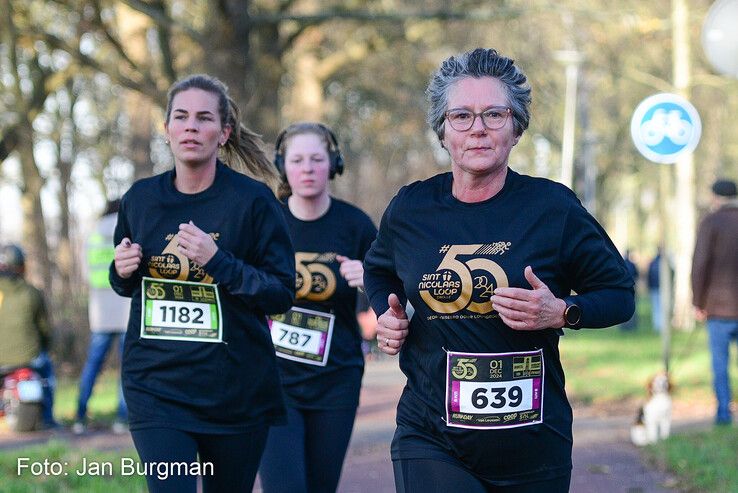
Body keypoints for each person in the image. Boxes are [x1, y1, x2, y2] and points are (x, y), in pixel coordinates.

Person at [363, 48, 635, 492]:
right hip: (431, 434)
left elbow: (619, 293)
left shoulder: (552, 208)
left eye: (494, 114)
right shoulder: (411, 208)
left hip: (532, 441)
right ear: (443, 129)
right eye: (462, 116)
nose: (478, 129)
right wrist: (386, 313)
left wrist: (562, 311)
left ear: (516, 127)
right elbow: (380, 271)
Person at [110, 74, 295, 492]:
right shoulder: (140, 199)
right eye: (181, 116)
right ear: (167, 129)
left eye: (204, 118)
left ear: (224, 131)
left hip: (235, 392)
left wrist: (219, 262)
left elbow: (281, 293)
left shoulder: (252, 201)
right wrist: (120, 271)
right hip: (155, 387)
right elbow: (126, 284)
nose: (191, 126)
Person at [258, 122, 377, 493]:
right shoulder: (264, 219)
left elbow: (394, 296)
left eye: (316, 159)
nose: (307, 168)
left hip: (336, 379)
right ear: (283, 167)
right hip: (273, 380)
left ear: (333, 164)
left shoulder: (355, 225)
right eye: (297, 160)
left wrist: (370, 280)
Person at [73, 199, 131, 435]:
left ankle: (79, 416)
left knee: (92, 366)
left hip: (100, 313)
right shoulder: (128, 231)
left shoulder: (93, 235)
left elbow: (86, 275)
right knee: (125, 368)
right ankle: (122, 418)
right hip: (126, 310)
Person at [691, 178, 738, 426]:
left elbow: (700, 263)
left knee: (720, 364)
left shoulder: (711, 222)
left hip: (719, 307)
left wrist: (698, 302)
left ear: (716, 197)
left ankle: (723, 414)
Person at [0, 244, 57, 429]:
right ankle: (48, 418)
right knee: (47, 370)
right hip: (28, 357)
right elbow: (44, 328)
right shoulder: (32, 292)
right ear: (21, 266)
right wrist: (46, 346)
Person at [620, 249, 639, 330]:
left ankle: (625, 326)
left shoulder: (620, 263)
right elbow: (636, 275)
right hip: (630, 288)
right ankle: (630, 325)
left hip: (623, 288)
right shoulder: (631, 264)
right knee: (631, 306)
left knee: (624, 306)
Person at [648, 251, 663, 332]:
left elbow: (649, 276)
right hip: (660, 288)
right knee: (661, 307)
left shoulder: (652, 263)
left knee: (656, 307)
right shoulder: (664, 264)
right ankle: (660, 324)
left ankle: (657, 324)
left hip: (654, 287)